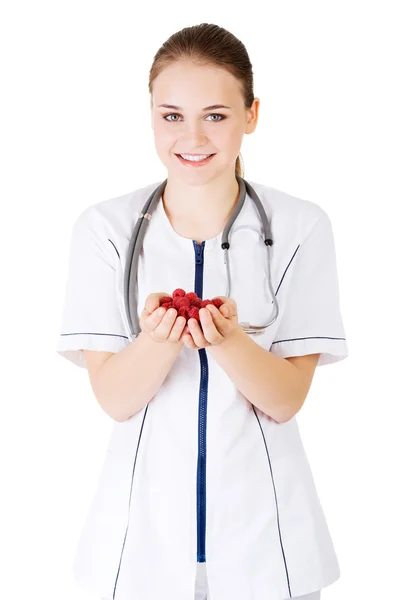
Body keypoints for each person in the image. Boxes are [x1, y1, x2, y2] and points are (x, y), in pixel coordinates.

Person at [56, 23, 349, 600]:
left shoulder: (299, 228)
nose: (192, 136)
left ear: (252, 114)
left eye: (215, 115)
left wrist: (229, 339)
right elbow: (115, 399)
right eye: (171, 116)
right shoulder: (106, 230)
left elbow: (286, 399)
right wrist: (159, 339)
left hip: (269, 542)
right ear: (151, 116)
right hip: (137, 543)